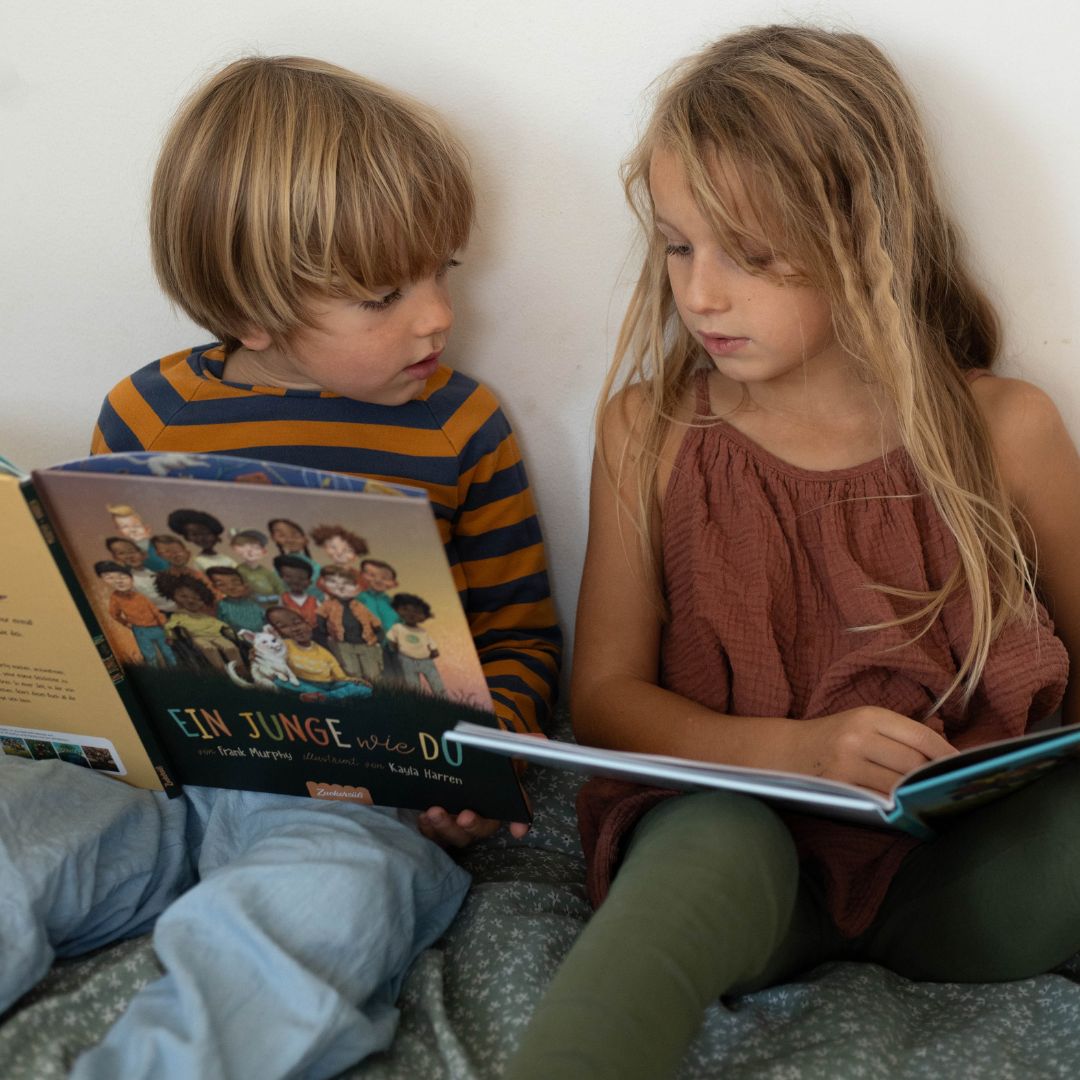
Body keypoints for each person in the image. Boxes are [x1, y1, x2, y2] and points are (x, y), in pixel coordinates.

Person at [506, 25, 1080, 1080]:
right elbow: (607, 697)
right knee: (712, 840)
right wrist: (798, 752)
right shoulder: (652, 430)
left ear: (868, 240)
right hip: (740, 858)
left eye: (752, 256)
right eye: (679, 245)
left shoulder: (1008, 433)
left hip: (959, 879)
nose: (701, 294)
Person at [1, 55, 560, 1080]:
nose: (435, 314)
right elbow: (104, 617)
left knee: (323, 904)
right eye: (383, 295)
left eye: (444, 269)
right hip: (161, 785)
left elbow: (521, 638)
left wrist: (485, 762)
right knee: (13, 845)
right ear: (253, 314)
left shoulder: (462, 427)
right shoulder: (147, 414)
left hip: (348, 798)